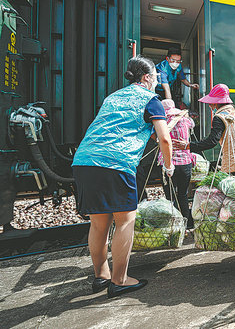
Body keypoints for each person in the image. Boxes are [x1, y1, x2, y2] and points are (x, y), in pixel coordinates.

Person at [72, 55, 174, 298]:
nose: (157, 81)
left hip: (84, 160)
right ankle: (120, 280)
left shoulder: (113, 97)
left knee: (98, 224)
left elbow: (132, 128)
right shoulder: (152, 100)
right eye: (156, 77)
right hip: (116, 164)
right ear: (147, 77)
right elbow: (164, 139)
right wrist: (168, 167)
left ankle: (101, 276)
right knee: (125, 220)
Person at [174, 84, 235, 176]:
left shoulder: (219, 118)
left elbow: (212, 141)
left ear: (215, 103)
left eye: (210, 104)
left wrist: (189, 146)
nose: (210, 106)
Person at [158, 99, 195, 230]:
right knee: (183, 195)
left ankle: (174, 226)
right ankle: (186, 224)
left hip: (168, 164)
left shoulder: (162, 122)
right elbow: (192, 124)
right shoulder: (185, 120)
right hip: (185, 163)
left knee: (170, 197)